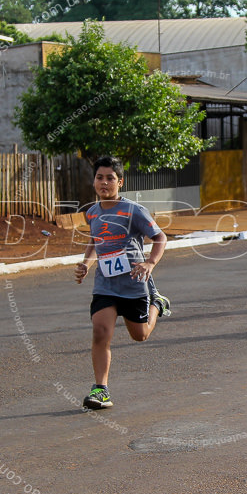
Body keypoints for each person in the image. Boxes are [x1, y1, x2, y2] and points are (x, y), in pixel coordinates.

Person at [74, 156, 172, 409]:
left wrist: (150, 263)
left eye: (110, 178)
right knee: (100, 332)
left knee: (140, 335)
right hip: (105, 285)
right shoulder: (92, 212)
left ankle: (157, 304)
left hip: (134, 284)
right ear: (94, 181)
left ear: (120, 182)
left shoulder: (133, 211)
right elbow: (96, 241)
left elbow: (160, 238)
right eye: (99, 177)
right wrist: (86, 263)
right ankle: (101, 390)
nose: (104, 183)